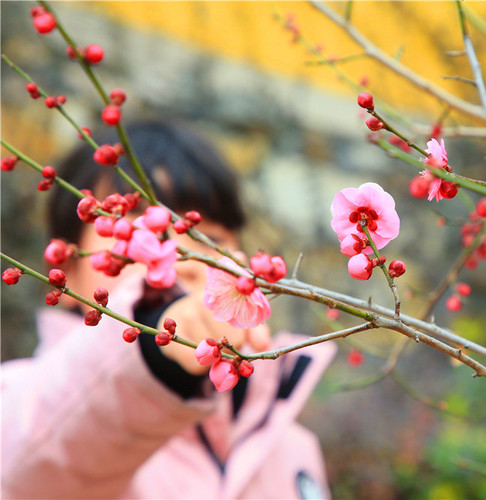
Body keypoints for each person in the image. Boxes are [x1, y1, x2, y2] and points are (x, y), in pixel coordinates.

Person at [1, 120, 335, 499]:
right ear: (65, 271)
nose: (181, 260)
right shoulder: (16, 404)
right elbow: (33, 463)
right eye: (143, 230)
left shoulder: (292, 447)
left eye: (206, 237)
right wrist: (152, 360)